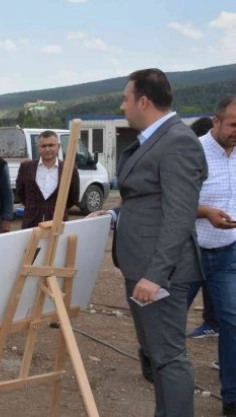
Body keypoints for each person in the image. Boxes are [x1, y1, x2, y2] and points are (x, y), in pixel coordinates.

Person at [92, 69, 207, 416]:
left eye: (125, 98)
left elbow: (179, 215)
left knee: (169, 358)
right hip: (143, 266)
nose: (122, 106)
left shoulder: (178, 141)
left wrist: (156, 274)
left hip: (160, 273)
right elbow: (147, 201)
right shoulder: (155, 140)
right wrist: (114, 216)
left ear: (143, 101)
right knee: (157, 355)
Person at [193, 97, 236, 417]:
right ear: (216, 121)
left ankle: (231, 398)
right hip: (188, 253)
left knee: (232, 321)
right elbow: (171, 200)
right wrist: (205, 211)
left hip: (227, 254)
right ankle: (150, 356)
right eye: (233, 125)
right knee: (165, 319)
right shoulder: (192, 152)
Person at [186, 116, 220, 339]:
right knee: (175, 302)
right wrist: (205, 212)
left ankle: (213, 323)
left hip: (222, 244)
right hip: (192, 243)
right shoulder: (191, 159)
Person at [15, 130, 80, 229]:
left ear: (58, 147)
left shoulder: (69, 169)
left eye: (51, 145)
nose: (47, 149)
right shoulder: (26, 167)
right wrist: (33, 206)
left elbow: (73, 197)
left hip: (57, 226)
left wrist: (56, 207)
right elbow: (20, 192)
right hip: (31, 225)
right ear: (38, 148)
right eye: (43, 146)